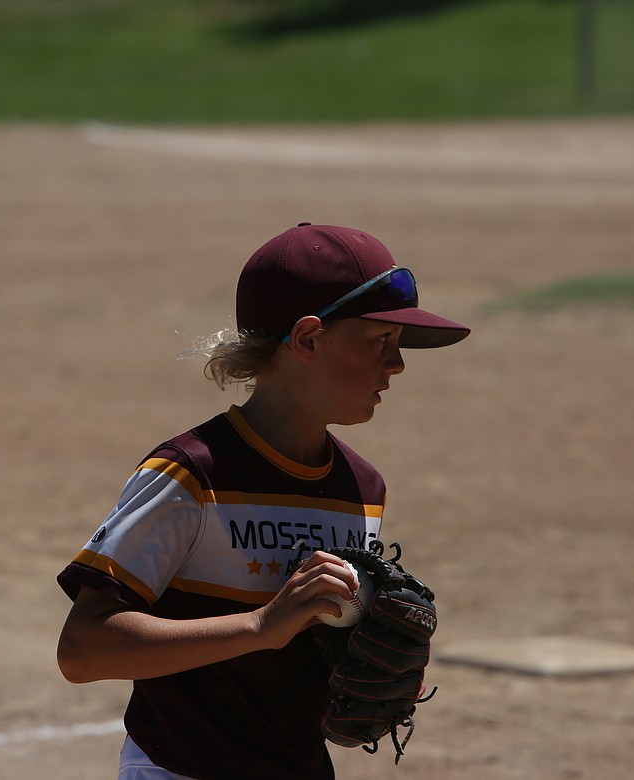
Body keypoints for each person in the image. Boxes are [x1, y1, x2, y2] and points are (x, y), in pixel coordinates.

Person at [56, 222, 470, 780]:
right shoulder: (192, 473)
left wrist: (364, 660)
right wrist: (257, 626)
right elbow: (83, 649)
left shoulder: (362, 488)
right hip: (182, 767)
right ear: (307, 340)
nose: (396, 365)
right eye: (379, 341)